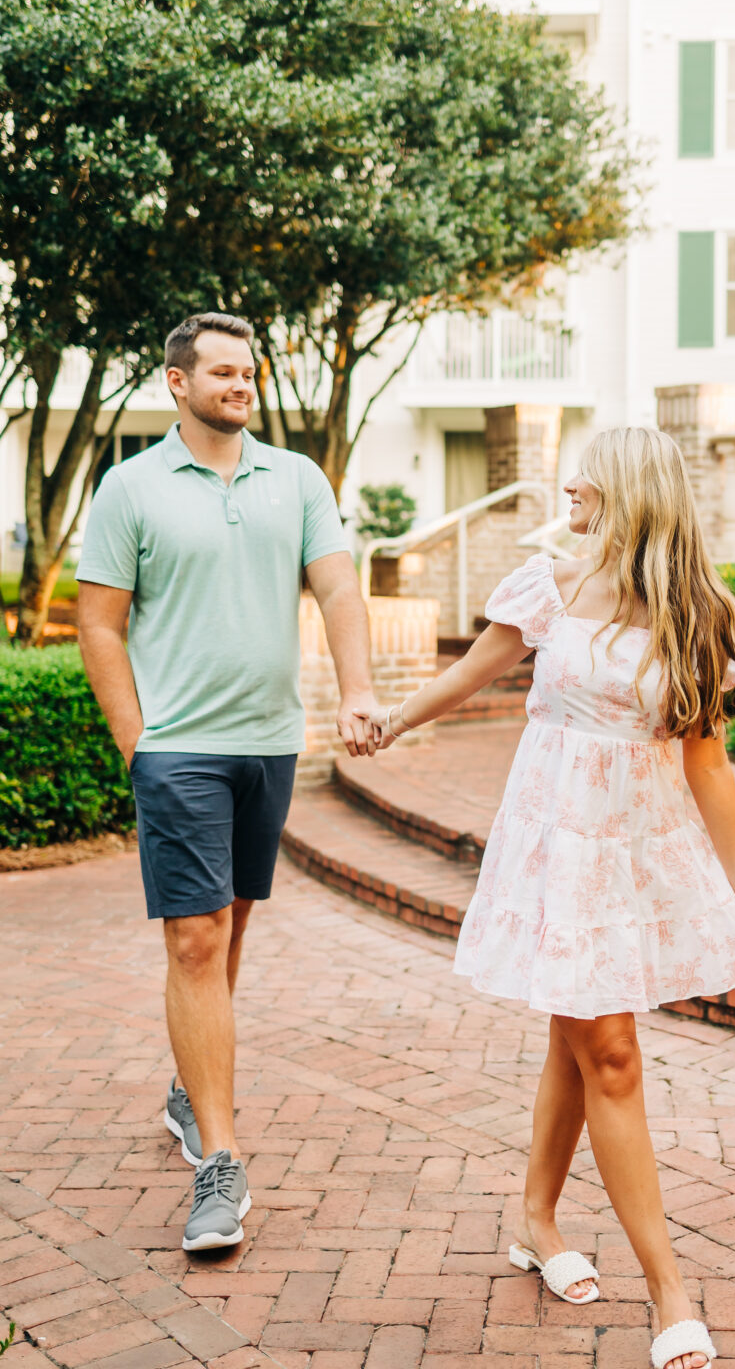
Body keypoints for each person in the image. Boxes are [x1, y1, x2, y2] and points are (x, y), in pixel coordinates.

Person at [369, 427, 735, 1369]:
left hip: (631, 853)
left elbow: (706, 761)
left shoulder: (700, 616)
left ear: (631, 488)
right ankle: (662, 1288)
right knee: (602, 1044)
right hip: (553, 846)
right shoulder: (548, 588)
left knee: (586, 1039)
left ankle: (537, 1219)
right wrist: (386, 724)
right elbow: (467, 675)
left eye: (585, 473)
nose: (568, 485)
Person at [77, 313, 381, 1254]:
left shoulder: (295, 479)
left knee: (233, 920)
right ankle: (220, 1161)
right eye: (220, 372)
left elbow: (335, 587)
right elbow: (100, 623)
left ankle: (187, 1085)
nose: (240, 385)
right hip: (178, 749)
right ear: (177, 383)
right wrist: (138, 744)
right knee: (197, 939)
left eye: (247, 372)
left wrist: (359, 688)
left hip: (268, 743)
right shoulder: (130, 488)